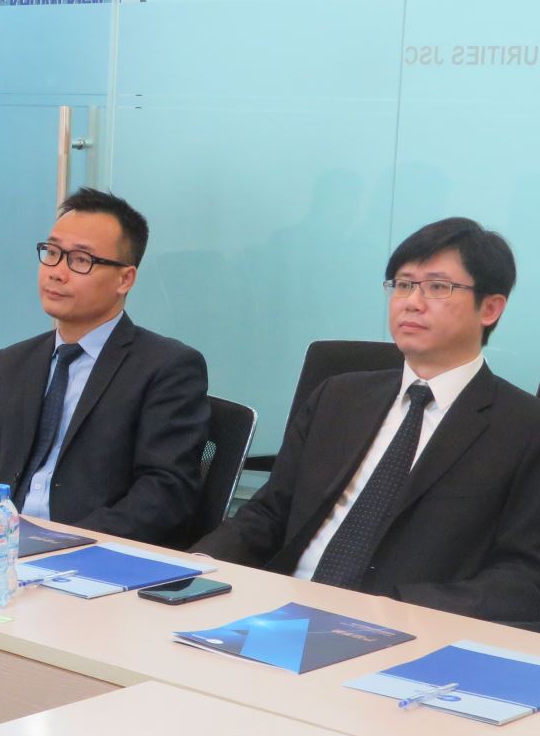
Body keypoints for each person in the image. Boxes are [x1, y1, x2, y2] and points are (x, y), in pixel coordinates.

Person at [197, 217, 540, 626]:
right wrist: (197, 565)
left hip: (402, 627)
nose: (412, 301)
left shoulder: (523, 429)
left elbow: (524, 578)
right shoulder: (338, 396)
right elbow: (270, 513)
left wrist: (392, 609)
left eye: (437, 287)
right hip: (276, 609)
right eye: (403, 284)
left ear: (491, 307)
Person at [0, 188, 209, 547]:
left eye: (81, 260)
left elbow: (164, 493)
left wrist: (66, 542)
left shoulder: (167, 368)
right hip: (1, 549)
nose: (57, 272)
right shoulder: (12, 362)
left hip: (92, 555)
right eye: (52, 253)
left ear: (125, 279)